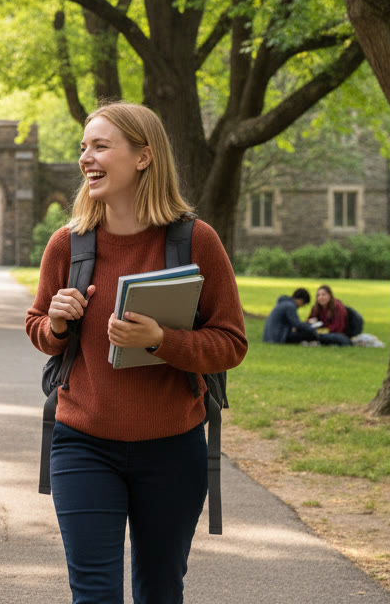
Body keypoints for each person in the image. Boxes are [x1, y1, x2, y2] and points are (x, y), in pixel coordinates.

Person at [25, 102, 248, 603]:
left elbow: (231, 342)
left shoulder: (196, 241)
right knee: (94, 594)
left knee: (160, 590)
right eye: (84, 147)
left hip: (173, 447)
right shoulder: (68, 245)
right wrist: (57, 322)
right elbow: (38, 327)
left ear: (144, 157)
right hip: (82, 443)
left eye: (101, 146)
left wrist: (160, 340)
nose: (86, 157)